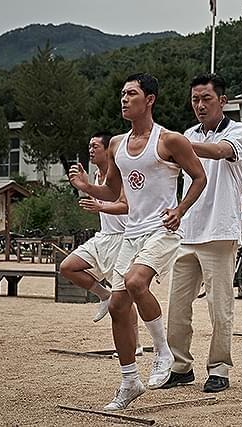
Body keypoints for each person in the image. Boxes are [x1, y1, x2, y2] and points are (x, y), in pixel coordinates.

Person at [69, 73, 206, 410]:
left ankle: (163, 352)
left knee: (135, 281)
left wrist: (180, 209)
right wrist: (88, 188)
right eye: (122, 93)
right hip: (131, 233)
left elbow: (199, 176)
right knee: (117, 306)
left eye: (131, 93)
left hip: (162, 228)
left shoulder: (170, 140)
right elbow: (114, 192)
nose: (124, 98)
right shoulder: (115, 144)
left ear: (150, 99)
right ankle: (129, 380)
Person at [164, 73, 242, 393]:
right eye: (195, 99)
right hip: (188, 230)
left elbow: (217, 151)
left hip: (220, 230)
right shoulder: (187, 133)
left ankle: (219, 368)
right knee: (177, 306)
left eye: (206, 99)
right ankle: (180, 365)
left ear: (222, 101)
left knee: (220, 307)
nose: (199, 105)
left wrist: (177, 143)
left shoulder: (237, 131)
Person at [60, 132, 143, 355]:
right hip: (103, 237)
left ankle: (134, 344)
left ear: (108, 150)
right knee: (67, 267)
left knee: (123, 296)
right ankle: (103, 295)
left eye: (95, 146)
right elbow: (94, 199)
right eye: (89, 145)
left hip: (122, 238)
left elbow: (127, 206)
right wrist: (83, 185)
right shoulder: (96, 175)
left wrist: (100, 207)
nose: (90, 149)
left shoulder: (121, 175)